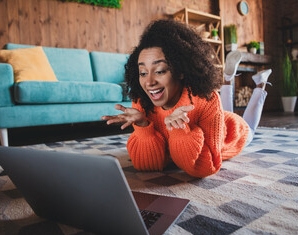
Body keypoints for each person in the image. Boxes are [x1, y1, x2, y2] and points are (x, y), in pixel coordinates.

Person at [101, 19, 272, 178]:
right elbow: (148, 165)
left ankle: (260, 84)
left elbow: (206, 166)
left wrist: (179, 129)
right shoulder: (143, 101)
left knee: (250, 127)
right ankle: (229, 78)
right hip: (215, 117)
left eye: (160, 71)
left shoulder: (207, 99)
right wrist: (143, 126)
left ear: (181, 70)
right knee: (224, 106)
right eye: (143, 73)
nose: (149, 82)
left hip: (233, 130)